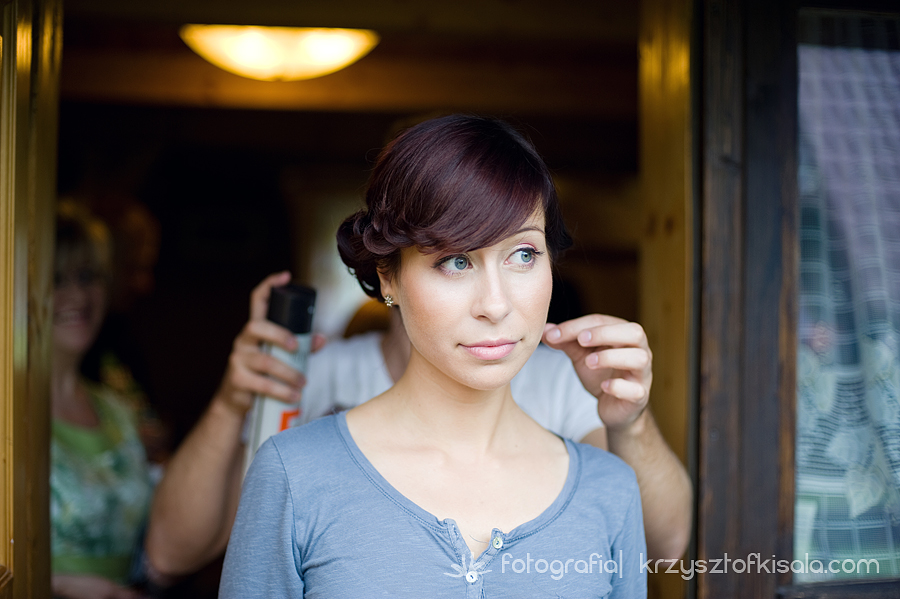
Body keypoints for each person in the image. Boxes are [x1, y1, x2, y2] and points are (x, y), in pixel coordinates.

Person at [145, 129, 692, 583]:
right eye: (455, 261)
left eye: (524, 254)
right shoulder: (294, 468)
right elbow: (170, 553)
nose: (496, 304)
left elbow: (668, 548)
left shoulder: (607, 484)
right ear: (389, 276)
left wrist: (634, 423)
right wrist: (229, 402)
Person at [51, 201, 153, 599]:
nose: (77, 294)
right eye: (56, 278)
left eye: (87, 276)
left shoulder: (118, 410)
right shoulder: (8, 412)